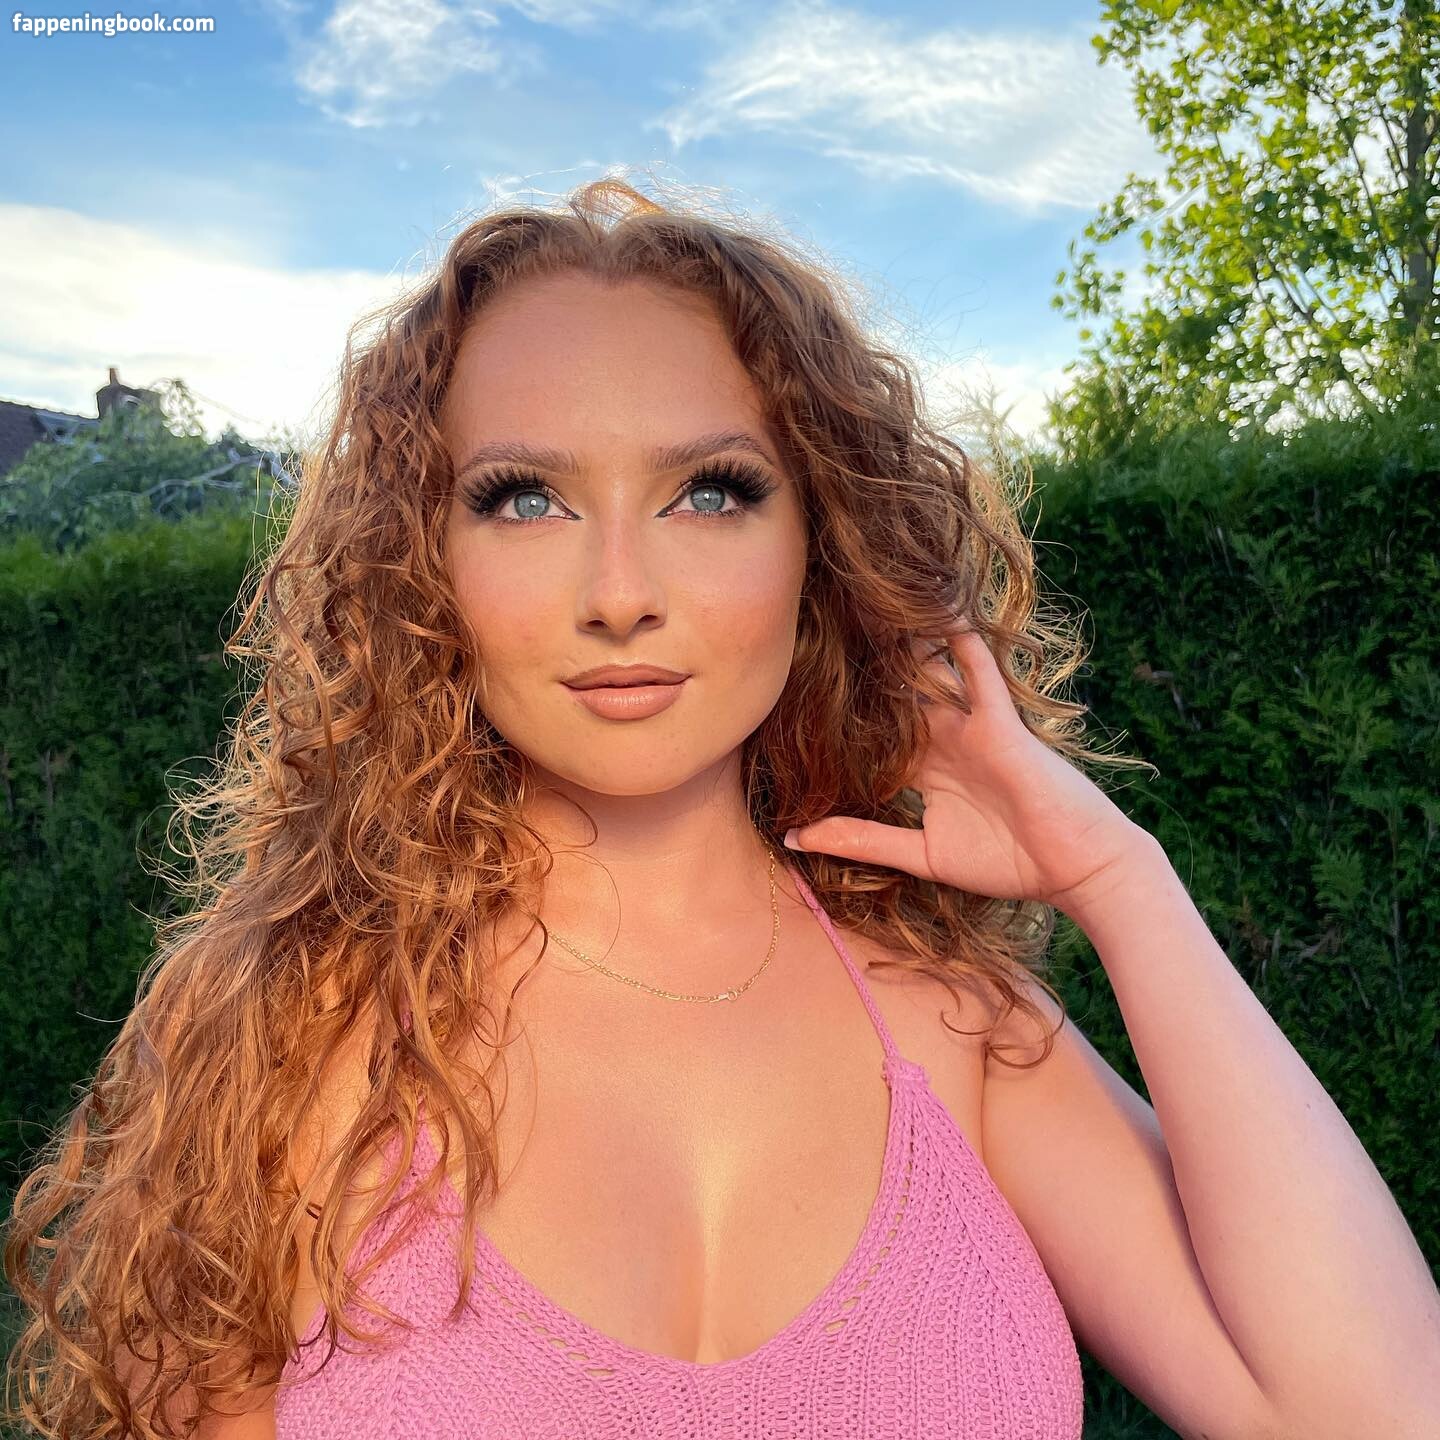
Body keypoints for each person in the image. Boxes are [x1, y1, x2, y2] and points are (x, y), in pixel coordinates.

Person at [16, 175, 1419, 1440]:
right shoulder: (290, 1039)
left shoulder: (952, 1027)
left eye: (709, 493)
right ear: (420, 561)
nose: (621, 592)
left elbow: (1368, 1411)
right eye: (524, 500)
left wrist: (1122, 883)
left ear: (823, 539)